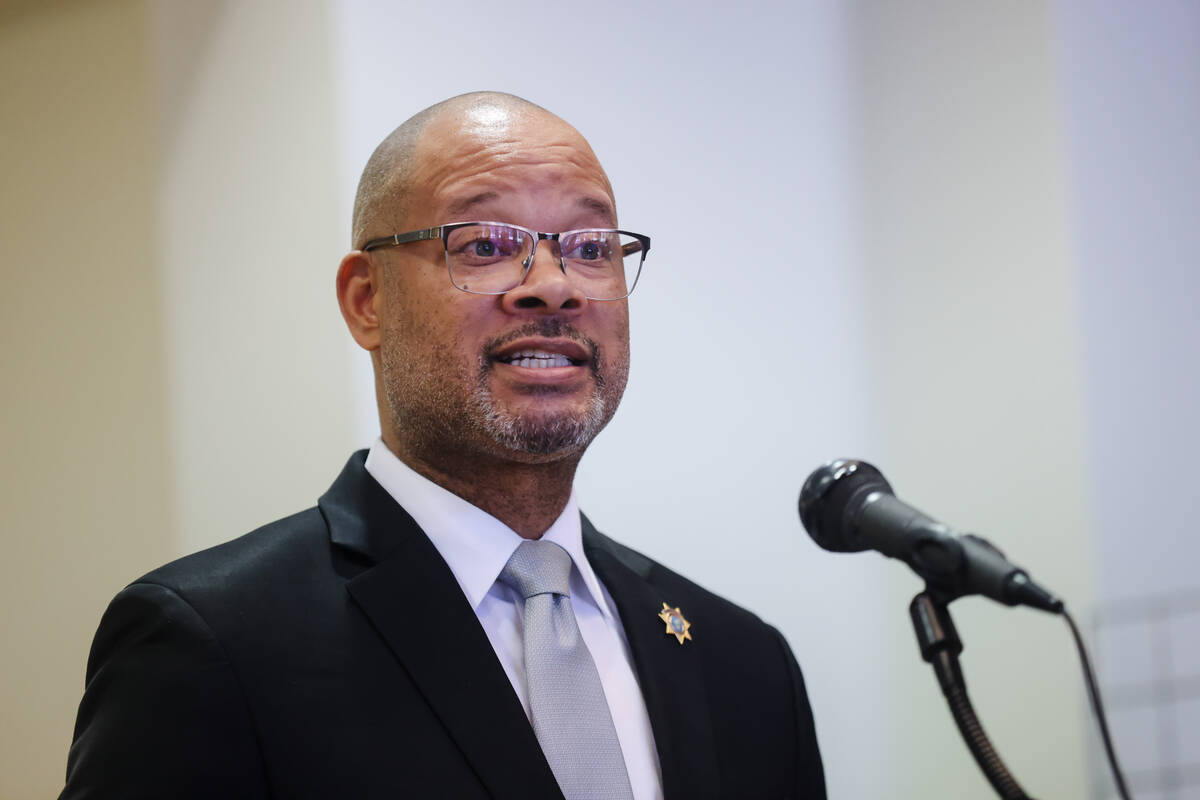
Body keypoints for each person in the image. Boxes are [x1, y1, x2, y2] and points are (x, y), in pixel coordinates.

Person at [60, 92, 826, 799]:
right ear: (368, 302)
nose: (554, 285)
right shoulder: (211, 643)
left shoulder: (745, 661)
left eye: (591, 248)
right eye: (487, 243)